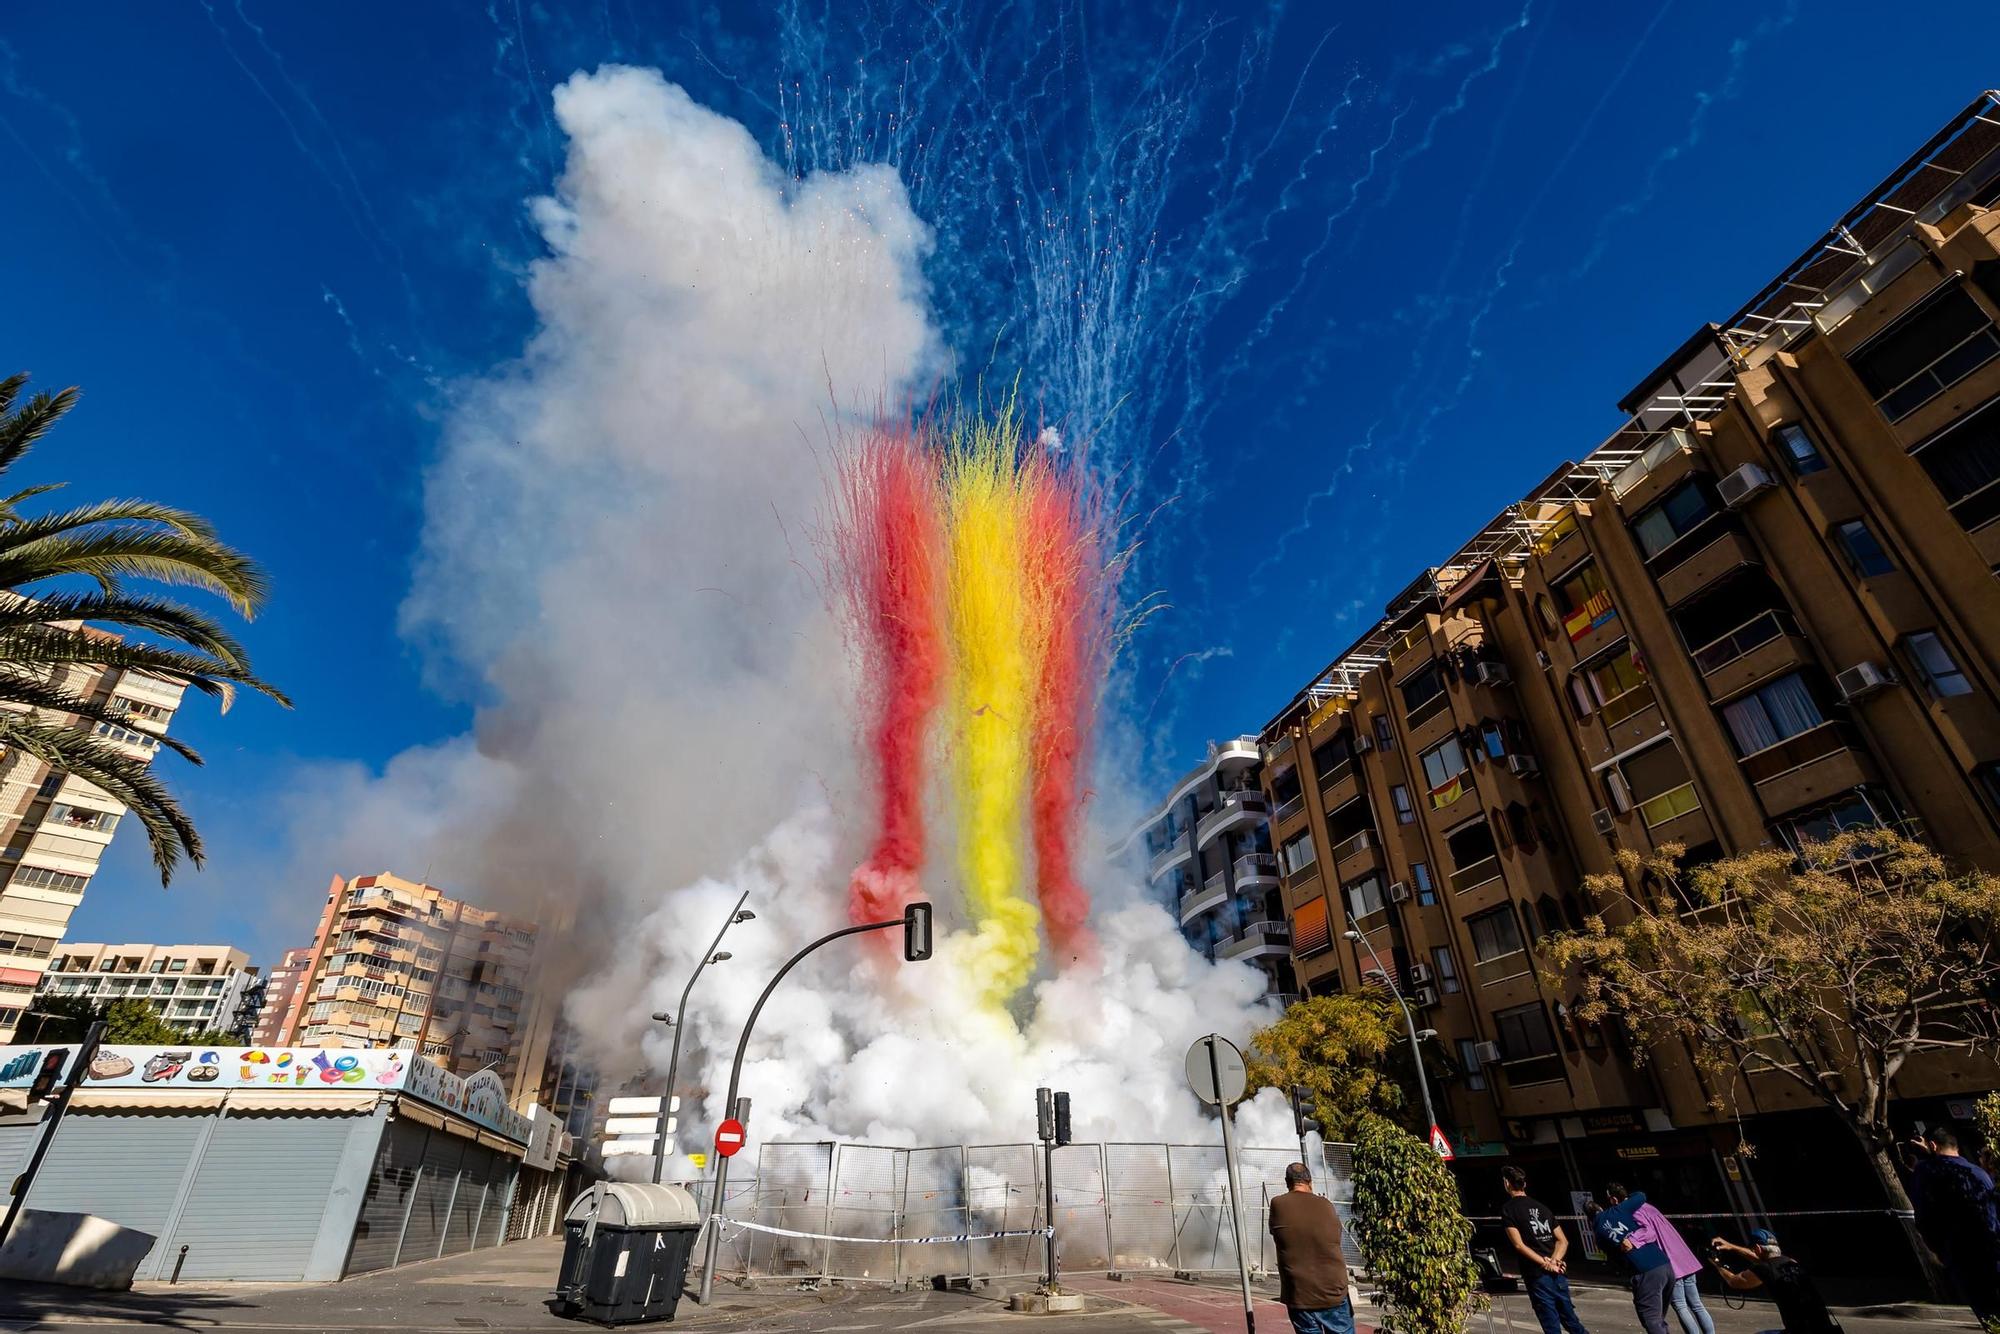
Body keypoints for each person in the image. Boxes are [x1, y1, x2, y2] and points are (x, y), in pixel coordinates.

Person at [1906, 1126, 2000, 1325]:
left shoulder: (1927, 1172)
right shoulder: (1978, 1173)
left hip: (1963, 1255)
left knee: (1988, 1313)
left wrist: (1942, 1252)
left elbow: (1925, 1219)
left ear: (1932, 1145)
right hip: (1993, 1249)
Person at [1608, 1183, 1714, 1334]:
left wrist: (1632, 1240)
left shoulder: (1633, 1211)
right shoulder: (1647, 1206)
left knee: (1681, 1305)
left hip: (1670, 1258)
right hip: (1683, 1255)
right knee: (1697, 1304)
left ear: (1614, 1200)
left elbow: (1649, 1232)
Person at [1499, 1166, 1589, 1334]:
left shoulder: (1508, 1210)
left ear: (1507, 1184)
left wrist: (1545, 1263)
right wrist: (1554, 1261)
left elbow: (1519, 1245)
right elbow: (1562, 1240)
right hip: (1558, 1273)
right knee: (1571, 1321)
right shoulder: (1542, 1207)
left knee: (1551, 1325)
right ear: (1524, 1184)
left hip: (1537, 1274)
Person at [1269, 1161, 1354, 1334]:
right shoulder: (1326, 1205)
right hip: (1333, 1291)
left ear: (1287, 1183)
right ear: (1310, 1181)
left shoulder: (1278, 1204)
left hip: (1299, 1294)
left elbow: (1276, 1233)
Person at [1711, 1229, 1837, 1334]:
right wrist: (1731, 1246)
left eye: (1753, 1250)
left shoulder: (1765, 1269)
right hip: (1826, 1329)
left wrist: (1717, 1264)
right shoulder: (1791, 1262)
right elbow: (1762, 1259)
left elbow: (1734, 1281)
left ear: (1758, 1248)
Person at [1586, 1192, 1672, 1334]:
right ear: (1601, 1208)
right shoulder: (1617, 1209)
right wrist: (1623, 1198)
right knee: (1658, 1319)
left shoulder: (1598, 1237)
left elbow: (1617, 1260)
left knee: (1651, 1319)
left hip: (1644, 1272)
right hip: (1664, 1264)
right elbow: (1641, 1196)